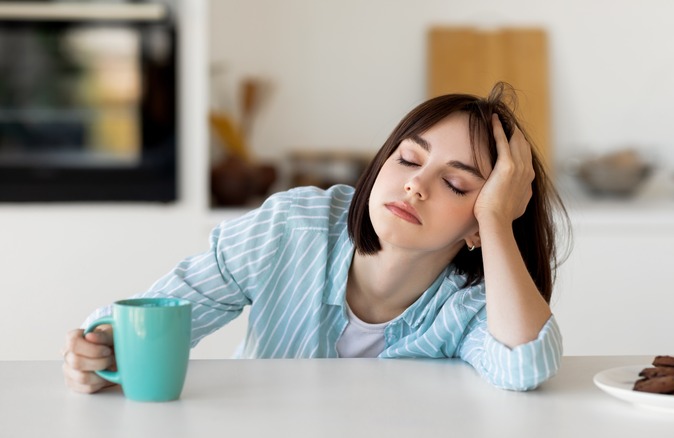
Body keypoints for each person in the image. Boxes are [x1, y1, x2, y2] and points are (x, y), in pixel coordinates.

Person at [62, 82, 569, 393]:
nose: (416, 184)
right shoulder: (293, 226)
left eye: (456, 183)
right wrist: (103, 349)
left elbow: (523, 364)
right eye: (408, 159)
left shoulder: (473, 303)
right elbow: (157, 317)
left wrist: (499, 223)